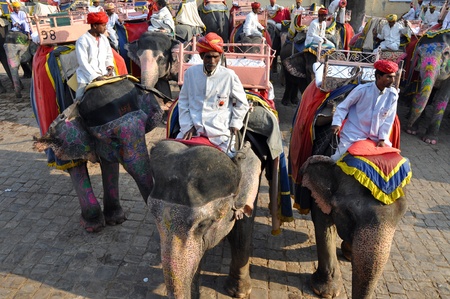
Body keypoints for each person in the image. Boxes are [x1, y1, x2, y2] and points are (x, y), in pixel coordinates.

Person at [176, 32, 249, 156]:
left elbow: (242, 103)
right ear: (201, 56)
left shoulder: (229, 76)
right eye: (208, 57)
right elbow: (183, 101)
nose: (212, 61)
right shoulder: (190, 73)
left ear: (220, 56)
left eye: (215, 57)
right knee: (174, 157)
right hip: (194, 128)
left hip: (220, 132)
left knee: (230, 163)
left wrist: (235, 123)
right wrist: (187, 126)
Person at [330, 60, 399, 161]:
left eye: (394, 76)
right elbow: (343, 107)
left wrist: (382, 138)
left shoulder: (393, 94)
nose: (392, 80)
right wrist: (337, 123)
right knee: (337, 158)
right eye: (389, 77)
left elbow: (389, 119)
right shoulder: (362, 90)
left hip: (376, 137)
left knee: (388, 162)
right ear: (379, 77)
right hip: (354, 133)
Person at [75, 11, 115, 100]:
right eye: (103, 25)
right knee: (79, 99)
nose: (105, 28)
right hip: (86, 77)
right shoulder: (82, 41)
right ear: (95, 26)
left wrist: (110, 67)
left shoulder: (104, 39)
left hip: (104, 74)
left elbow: (109, 56)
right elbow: (83, 63)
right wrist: (96, 77)